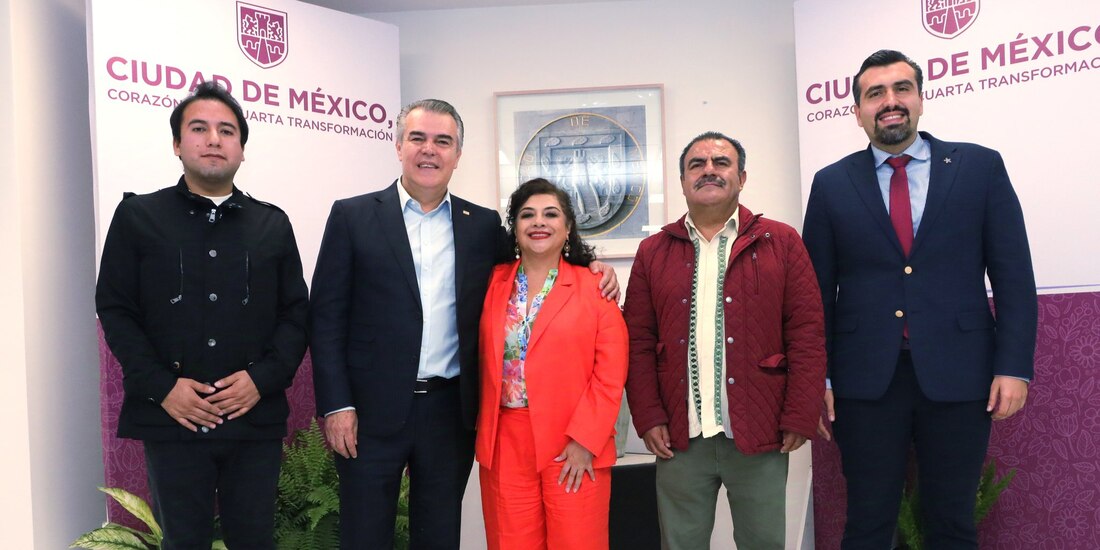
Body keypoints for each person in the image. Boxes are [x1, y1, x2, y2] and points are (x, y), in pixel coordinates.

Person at [310, 99, 618, 549]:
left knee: (438, 535)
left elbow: (529, 271)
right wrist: (337, 405)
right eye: (418, 138)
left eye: (443, 141)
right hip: (369, 414)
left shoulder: (482, 225)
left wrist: (595, 268)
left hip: (449, 413)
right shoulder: (353, 216)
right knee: (364, 535)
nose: (429, 150)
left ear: (457, 154)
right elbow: (326, 318)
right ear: (398, 146)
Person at [802, 49, 1038, 549]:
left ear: (921, 99)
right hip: (863, 383)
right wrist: (817, 376)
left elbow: (1014, 276)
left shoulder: (979, 166)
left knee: (952, 520)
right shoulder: (831, 184)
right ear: (859, 111)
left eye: (901, 89)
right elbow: (815, 295)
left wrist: (1013, 367)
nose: (891, 102)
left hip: (962, 375)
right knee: (866, 521)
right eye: (875, 94)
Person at [95, 81, 309, 549]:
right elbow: (115, 308)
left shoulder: (272, 223)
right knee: (183, 541)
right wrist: (163, 387)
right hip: (172, 416)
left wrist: (262, 379)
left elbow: (296, 314)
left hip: (253, 417)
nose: (214, 139)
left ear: (242, 149)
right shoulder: (138, 217)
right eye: (199, 128)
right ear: (177, 144)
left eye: (227, 131)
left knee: (254, 540)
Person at [623, 131, 825, 549]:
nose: (709, 170)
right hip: (679, 438)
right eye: (697, 164)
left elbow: (806, 332)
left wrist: (800, 413)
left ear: (742, 176)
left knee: (764, 543)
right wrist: (647, 416)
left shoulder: (782, 242)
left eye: (721, 162)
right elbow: (639, 341)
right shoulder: (652, 251)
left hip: (761, 432)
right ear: (682, 181)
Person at [476, 178, 628, 550]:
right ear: (515, 228)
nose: (538, 223)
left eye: (550, 214)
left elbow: (610, 373)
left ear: (568, 227)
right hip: (504, 444)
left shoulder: (595, 286)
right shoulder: (490, 282)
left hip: (574, 444)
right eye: (527, 215)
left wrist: (585, 440)